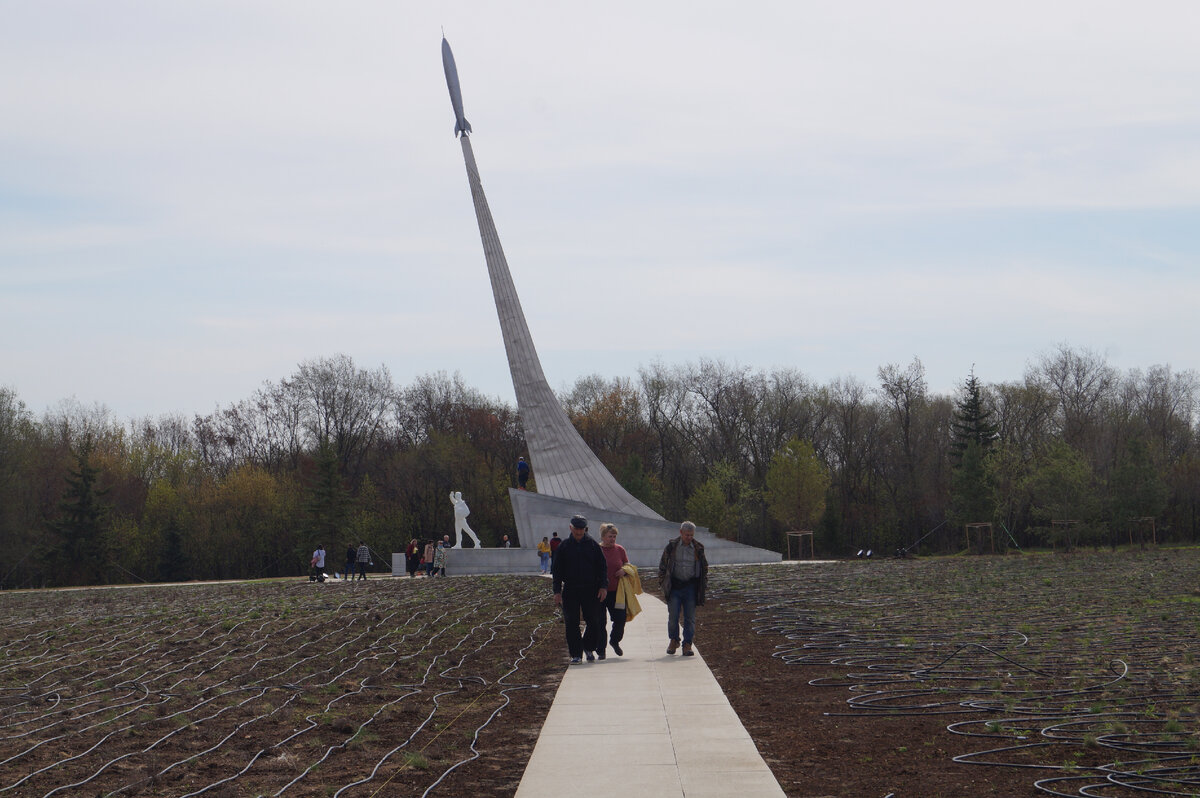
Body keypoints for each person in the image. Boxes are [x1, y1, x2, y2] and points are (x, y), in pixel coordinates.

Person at [551, 515, 608, 664]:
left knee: (594, 621)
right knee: (571, 622)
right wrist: (557, 592)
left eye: (581, 529)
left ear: (585, 529)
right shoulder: (563, 547)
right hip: (571, 589)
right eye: (576, 529)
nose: (579, 532)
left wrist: (603, 586)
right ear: (571, 528)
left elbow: (602, 567)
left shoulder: (593, 545)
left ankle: (588, 647)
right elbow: (556, 571)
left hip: (591, 589)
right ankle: (576, 653)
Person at [658, 521, 708, 656]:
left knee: (690, 618)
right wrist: (663, 583)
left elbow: (704, 567)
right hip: (674, 586)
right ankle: (674, 640)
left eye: (691, 535)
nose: (689, 537)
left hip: (690, 587)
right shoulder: (672, 547)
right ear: (681, 533)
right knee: (673, 616)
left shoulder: (698, 548)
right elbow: (662, 565)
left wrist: (702, 584)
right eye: (687, 535)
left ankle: (687, 644)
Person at [597, 523, 629, 657]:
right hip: (599, 592)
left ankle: (614, 641)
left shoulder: (620, 550)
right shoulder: (596, 549)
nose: (612, 539)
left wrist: (624, 571)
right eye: (610, 536)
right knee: (600, 622)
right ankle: (601, 650)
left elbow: (628, 565)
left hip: (617, 592)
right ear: (603, 537)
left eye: (614, 537)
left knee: (620, 619)